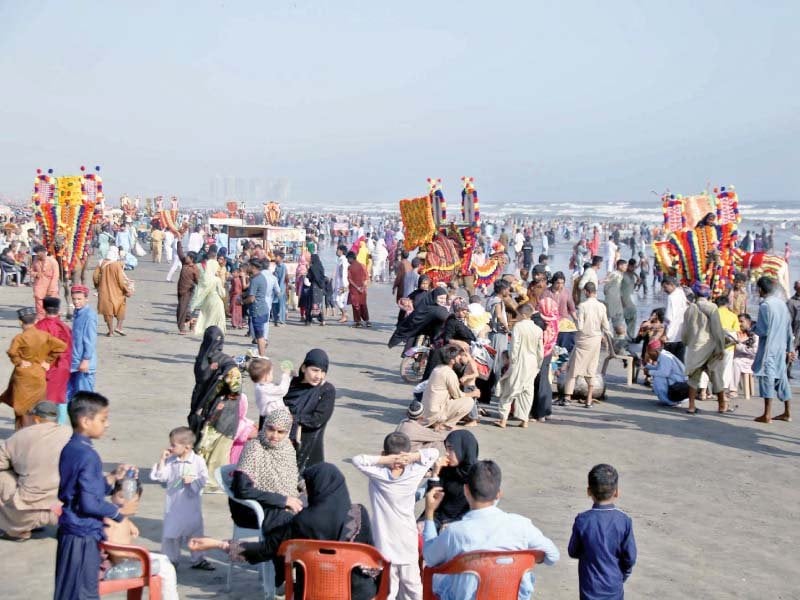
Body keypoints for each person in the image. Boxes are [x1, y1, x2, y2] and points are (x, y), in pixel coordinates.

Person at [189, 463, 381, 600]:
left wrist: (217, 544)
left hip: (311, 592)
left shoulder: (303, 522)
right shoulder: (359, 513)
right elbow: (372, 561)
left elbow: (264, 549)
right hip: (357, 593)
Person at [423, 460, 559, 600]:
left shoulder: (455, 532)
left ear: (466, 490)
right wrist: (525, 557)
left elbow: (430, 558)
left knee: (437, 576)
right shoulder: (521, 525)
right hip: (511, 597)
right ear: (498, 494)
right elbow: (553, 556)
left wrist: (429, 514)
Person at [54, 391, 136, 600]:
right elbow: (89, 503)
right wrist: (118, 513)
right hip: (82, 533)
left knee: (69, 590)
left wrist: (111, 478)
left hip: (71, 529)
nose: (106, 424)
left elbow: (83, 489)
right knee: (82, 592)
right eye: (103, 419)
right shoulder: (88, 455)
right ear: (85, 421)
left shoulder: (72, 448)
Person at [353, 432, 439, 600]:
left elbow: (358, 460)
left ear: (384, 453)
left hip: (384, 543)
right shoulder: (414, 472)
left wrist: (385, 460)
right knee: (413, 588)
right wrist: (412, 457)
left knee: (388, 590)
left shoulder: (378, 474)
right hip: (407, 541)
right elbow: (433, 454)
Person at [0, 401, 72, 540]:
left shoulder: (21, 435)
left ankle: (17, 529)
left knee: (3, 477)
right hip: (62, 511)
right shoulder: (70, 433)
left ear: (36, 419)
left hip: (27, 510)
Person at [230, 407, 302, 539]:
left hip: (280, 502)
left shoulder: (287, 449)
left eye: (280, 432)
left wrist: (303, 485)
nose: (274, 436)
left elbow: (291, 477)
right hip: (252, 508)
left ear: (287, 433)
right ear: (264, 426)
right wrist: (283, 500)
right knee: (288, 522)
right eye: (271, 429)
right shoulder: (254, 448)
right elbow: (242, 490)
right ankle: (278, 555)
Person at [568, 464, 637, 600]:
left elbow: (573, 551)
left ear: (589, 492)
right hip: (614, 588)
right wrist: (622, 575)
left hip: (589, 589)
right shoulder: (624, 521)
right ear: (616, 492)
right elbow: (630, 557)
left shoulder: (582, 520)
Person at [102, 479, 179, 600]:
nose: (124, 502)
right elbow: (110, 546)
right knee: (166, 568)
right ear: (112, 497)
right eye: (121, 496)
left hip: (125, 560)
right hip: (117, 566)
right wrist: (136, 555)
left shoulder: (118, 516)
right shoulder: (110, 519)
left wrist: (129, 524)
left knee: (164, 559)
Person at [150, 426, 213, 570]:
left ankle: (198, 558)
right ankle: (170, 559)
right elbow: (162, 476)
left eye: (174, 445)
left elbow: (204, 479)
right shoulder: (171, 461)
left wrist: (193, 482)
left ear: (187, 447)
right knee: (171, 534)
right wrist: (162, 460)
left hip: (191, 506)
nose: (170, 448)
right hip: (174, 506)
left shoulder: (197, 461)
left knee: (195, 532)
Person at [0, 307, 68, 429]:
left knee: (21, 408)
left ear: (20, 322)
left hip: (23, 376)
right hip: (39, 374)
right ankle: (36, 433)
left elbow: (11, 352)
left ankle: (21, 435)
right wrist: (48, 361)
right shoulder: (44, 335)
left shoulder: (20, 338)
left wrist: (19, 362)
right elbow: (61, 346)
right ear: (36, 320)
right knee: (38, 407)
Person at [195, 366, 251, 492]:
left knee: (213, 455)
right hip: (222, 426)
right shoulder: (231, 395)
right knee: (216, 455)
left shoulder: (226, 392)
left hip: (220, 426)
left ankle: (210, 480)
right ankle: (211, 481)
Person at [283, 349, 336, 471]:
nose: (319, 376)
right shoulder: (290, 384)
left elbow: (318, 419)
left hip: (308, 449)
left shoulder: (326, 390)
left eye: (323, 372)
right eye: (315, 370)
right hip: (281, 442)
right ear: (303, 368)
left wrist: (293, 418)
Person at [682, 284, 730, 415]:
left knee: (693, 377)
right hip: (710, 347)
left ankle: (691, 406)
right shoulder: (712, 308)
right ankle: (721, 405)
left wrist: (687, 342)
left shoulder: (689, 309)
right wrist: (720, 347)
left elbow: (685, 330)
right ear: (708, 295)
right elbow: (717, 330)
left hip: (695, 347)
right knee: (716, 376)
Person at [753, 276, 794, 423]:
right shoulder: (782, 304)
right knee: (782, 379)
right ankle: (787, 412)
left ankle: (767, 414)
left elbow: (763, 331)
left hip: (768, 349)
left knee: (767, 379)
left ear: (761, 289)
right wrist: (790, 349)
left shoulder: (765, 306)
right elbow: (788, 329)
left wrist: (751, 327)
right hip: (781, 348)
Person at [562, 282, 610, 407]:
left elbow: (580, 325)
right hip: (595, 340)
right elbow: (606, 325)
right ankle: (589, 399)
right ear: (595, 291)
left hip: (583, 340)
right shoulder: (601, 306)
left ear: (586, 292)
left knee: (573, 368)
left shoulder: (582, 306)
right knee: (591, 369)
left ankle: (567, 396)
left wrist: (575, 322)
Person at [496, 304, 543, 428]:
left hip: (519, 362)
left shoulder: (518, 327)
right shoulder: (538, 329)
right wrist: (538, 365)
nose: (516, 317)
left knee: (509, 390)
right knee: (527, 391)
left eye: (517, 315)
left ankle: (503, 420)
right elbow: (540, 351)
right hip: (532, 362)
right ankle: (524, 419)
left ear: (523, 315)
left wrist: (512, 361)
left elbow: (514, 346)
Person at [35, 297, 72, 423]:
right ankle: (60, 426)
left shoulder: (39, 326)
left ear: (44, 309)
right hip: (63, 366)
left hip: (45, 367)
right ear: (58, 309)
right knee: (60, 397)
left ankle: (45, 426)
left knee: (44, 397)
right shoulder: (65, 327)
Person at [420, 346, 476, 430]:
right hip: (435, 412)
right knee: (469, 401)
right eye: (458, 356)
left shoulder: (437, 368)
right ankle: (447, 424)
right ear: (452, 360)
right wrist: (473, 394)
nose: (460, 357)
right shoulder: (449, 373)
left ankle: (437, 421)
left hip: (426, 411)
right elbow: (457, 395)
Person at [67, 285, 98, 407]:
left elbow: (90, 340)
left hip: (83, 363)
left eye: (79, 299)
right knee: (73, 396)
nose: (76, 302)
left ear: (86, 299)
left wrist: (86, 360)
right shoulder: (77, 313)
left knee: (85, 399)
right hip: (75, 361)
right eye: (74, 299)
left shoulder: (89, 315)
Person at [93, 246, 131, 336]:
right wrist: (126, 290)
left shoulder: (101, 263)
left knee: (107, 312)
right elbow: (121, 281)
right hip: (117, 292)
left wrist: (98, 286)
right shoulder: (117, 265)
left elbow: (95, 276)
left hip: (104, 292)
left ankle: (110, 332)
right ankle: (119, 327)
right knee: (121, 308)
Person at [244, 259, 278, 357]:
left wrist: (242, 302)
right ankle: (260, 354)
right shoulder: (261, 277)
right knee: (260, 335)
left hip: (257, 310)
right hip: (264, 309)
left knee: (259, 336)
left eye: (248, 266)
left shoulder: (255, 280)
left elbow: (251, 298)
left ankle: (262, 356)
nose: (247, 268)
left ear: (253, 267)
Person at [190, 247, 227, 336]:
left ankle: (208, 332)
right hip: (216, 301)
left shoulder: (204, 279)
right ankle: (218, 333)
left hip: (207, 300)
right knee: (218, 319)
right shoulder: (216, 279)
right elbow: (222, 294)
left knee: (207, 318)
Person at [248, 357, 292, 431]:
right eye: (271, 373)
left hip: (268, 417)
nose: (272, 375)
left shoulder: (260, 385)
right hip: (274, 419)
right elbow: (282, 390)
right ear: (266, 376)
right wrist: (286, 375)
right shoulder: (265, 390)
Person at [643, 339, 689, 406]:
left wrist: (649, 372)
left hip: (678, 387)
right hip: (678, 384)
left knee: (658, 377)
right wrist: (647, 366)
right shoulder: (663, 355)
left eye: (650, 353)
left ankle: (669, 401)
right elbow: (659, 368)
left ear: (656, 351)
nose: (650, 356)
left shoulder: (665, 357)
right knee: (657, 374)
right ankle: (670, 400)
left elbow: (664, 373)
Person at [662, 276, 688, 363]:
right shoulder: (681, 293)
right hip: (682, 333)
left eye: (665, 287)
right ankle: (681, 376)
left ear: (672, 285)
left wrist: (665, 334)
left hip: (671, 335)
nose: (664, 290)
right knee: (680, 360)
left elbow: (668, 318)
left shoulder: (671, 297)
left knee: (669, 360)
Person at [30, 245, 60, 321]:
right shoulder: (35, 260)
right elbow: (31, 271)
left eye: (38, 253)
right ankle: (41, 321)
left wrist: (51, 288)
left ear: (43, 252)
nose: (37, 254)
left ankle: (53, 321)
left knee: (51, 305)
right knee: (39, 305)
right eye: (36, 253)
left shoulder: (52, 261)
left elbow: (56, 276)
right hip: (39, 285)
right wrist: (36, 274)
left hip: (51, 286)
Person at [176, 242, 199, 334]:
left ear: (192, 259)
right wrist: (179, 242)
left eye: (188, 257)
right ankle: (192, 320)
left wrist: (192, 285)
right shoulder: (184, 263)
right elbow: (180, 253)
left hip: (188, 291)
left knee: (181, 309)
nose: (186, 257)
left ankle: (182, 328)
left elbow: (198, 281)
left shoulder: (195, 269)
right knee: (182, 308)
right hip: (180, 290)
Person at [732, 313, 758, 395]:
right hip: (743, 357)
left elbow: (755, 351)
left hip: (752, 360)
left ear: (748, 322)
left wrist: (740, 346)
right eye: (738, 322)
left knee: (735, 362)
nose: (739, 324)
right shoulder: (742, 332)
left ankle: (733, 390)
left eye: (741, 322)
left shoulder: (755, 332)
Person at [347, 250, 372, 327]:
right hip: (363, 289)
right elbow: (367, 279)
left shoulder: (350, 267)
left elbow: (350, 280)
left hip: (355, 290)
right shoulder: (363, 266)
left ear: (351, 258)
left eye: (348, 259)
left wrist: (357, 288)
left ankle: (358, 322)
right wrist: (363, 287)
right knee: (363, 305)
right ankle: (367, 321)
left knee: (356, 306)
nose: (348, 261)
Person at [304, 254, 327, 325]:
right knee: (319, 303)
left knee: (310, 303)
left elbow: (309, 277)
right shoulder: (321, 266)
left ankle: (308, 320)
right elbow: (322, 276)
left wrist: (308, 269)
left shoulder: (312, 267)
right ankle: (322, 320)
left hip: (314, 287)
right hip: (320, 288)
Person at [603, 259, 626, 329]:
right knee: (614, 320)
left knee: (609, 319)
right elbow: (606, 285)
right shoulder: (615, 274)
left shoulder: (619, 274)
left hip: (614, 300)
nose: (626, 267)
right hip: (614, 300)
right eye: (625, 266)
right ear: (620, 266)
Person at [333, 244, 350, 323]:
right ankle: (344, 315)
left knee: (338, 300)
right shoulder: (340, 260)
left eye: (337, 250)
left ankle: (344, 315)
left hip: (342, 284)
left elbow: (343, 274)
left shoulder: (343, 260)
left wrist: (344, 286)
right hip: (339, 283)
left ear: (341, 251)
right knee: (338, 300)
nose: (336, 251)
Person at [787, 280, 800, 378]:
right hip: (795, 332)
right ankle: (787, 374)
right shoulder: (791, 302)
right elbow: (788, 320)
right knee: (791, 353)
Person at [272, 251, 289, 326]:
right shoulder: (277, 266)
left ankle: (281, 320)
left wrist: (280, 289)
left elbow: (282, 279)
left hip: (281, 288)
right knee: (274, 304)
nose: (275, 258)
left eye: (276, 257)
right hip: (275, 288)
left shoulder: (283, 266)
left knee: (281, 304)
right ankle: (275, 320)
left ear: (281, 258)